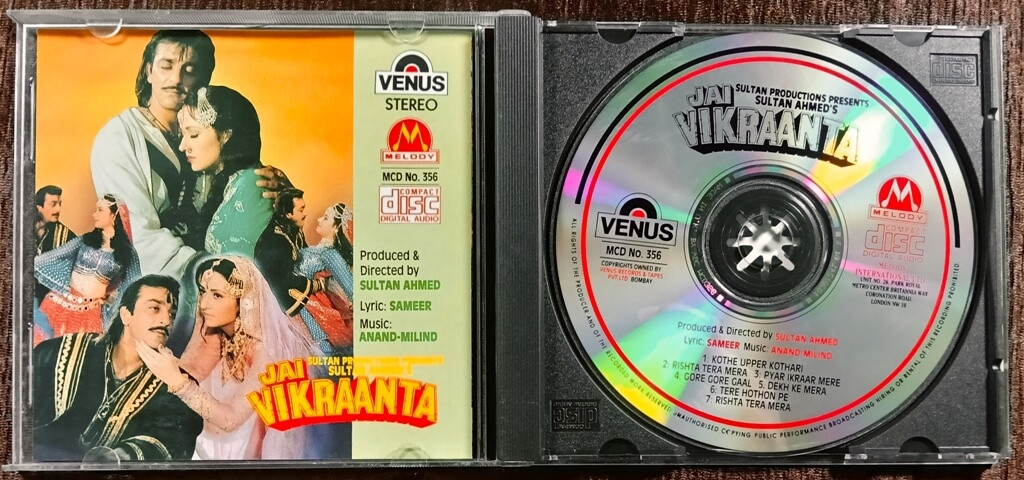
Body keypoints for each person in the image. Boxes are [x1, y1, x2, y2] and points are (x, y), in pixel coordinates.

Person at [91, 30, 291, 278]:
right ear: (149, 71)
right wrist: (210, 276)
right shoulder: (119, 137)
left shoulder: (212, 133)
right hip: (163, 282)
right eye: (166, 66)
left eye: (189, 70)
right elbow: (139, 236)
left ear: (204, 78)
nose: (176, 78)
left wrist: (276, 194)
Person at [137, 256, 319, 459]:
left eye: (217, 295)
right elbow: (193, 370)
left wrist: (178, 382)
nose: (204, 304)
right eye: (203, 291)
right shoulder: (218, 334)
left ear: (244, 302)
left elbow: (231, 419)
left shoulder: (267, 352)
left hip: (248, 445)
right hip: (220, 439)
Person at [33, 275, 203, 461]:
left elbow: (172, 439)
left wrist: (119, 457)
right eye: (154, 308)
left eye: (172, 313)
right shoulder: (58, 353)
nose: (167, 320)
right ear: (126, 315)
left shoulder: (177, 386)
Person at [178, 85, 272, 257]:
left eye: (193, 135)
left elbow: (244, 266)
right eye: (182, 135)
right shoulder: (213, 179)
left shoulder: (252, 183)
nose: (182, 146)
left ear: (225, 136)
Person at [34, 194, 141, 345]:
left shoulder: (128, 252)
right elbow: (53, 256)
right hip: (60, 305)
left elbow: (133, 286)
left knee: (77, 352)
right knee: (44, 349)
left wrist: (112, 309)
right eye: (95, 210)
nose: (94, 215)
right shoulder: (85, 240)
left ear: (114, 215)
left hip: (91, 314)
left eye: (100, 210)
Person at [253, 189, 330, 348]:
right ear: (288, 214)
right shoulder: (275, 240)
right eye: (301, 210)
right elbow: (283, 280)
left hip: (294, 286)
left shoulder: (292, 227)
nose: (306, 213)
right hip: (279, 299)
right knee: (318, 337)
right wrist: (316, 285)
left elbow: (305, 254)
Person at [298, 203, 355, 353]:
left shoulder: (330, 254)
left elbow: (351, 289)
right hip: (298, 297)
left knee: (318, 346)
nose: (318, 220)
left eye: (325, 218)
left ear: (336, 228)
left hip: (310, 306)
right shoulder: (318, 249)